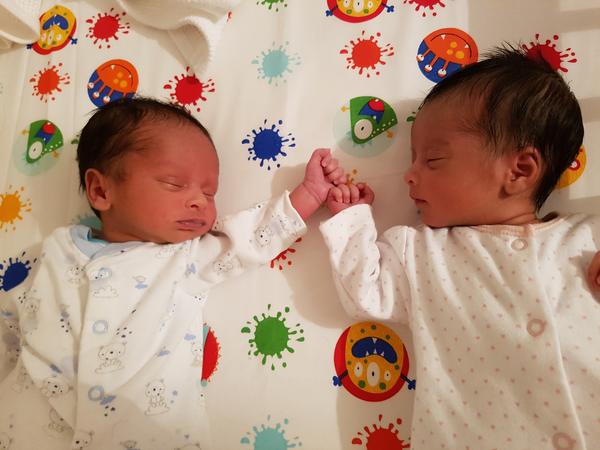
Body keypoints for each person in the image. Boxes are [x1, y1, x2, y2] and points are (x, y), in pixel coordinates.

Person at [0, 97, 345, 449]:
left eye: (209, 192)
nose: (200, 201)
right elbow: (9, 324)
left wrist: (309, 194)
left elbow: (252, 238)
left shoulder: (184, 258)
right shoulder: (53, 252)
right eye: (174, 184)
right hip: (28, 428)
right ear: (101, 190)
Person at [320, 45, 599, 449]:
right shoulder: (421, 254)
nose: (409, 177)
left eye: (432, 160)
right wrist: (351, 218)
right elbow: (364, 292)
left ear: (519, 171)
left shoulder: (586, 239)